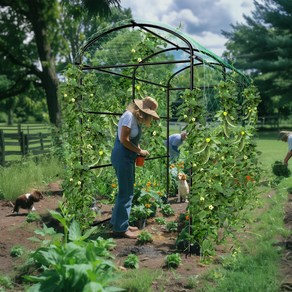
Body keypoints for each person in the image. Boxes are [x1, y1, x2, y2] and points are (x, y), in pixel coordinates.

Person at [110, 96, 160, 239]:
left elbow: (132, 140)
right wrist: (139, 151)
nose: (148, 118)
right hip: (122, 157)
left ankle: (118, 222)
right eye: (148, 114)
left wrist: (139, 149)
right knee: (126, 193)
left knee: (126, 191)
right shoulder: (128, 117)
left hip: (127, 157)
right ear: (142, 111)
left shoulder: (134, 119)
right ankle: (121, 229)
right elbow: (123, 140)